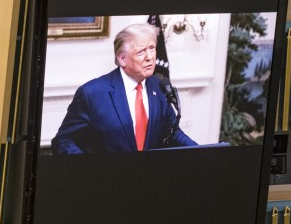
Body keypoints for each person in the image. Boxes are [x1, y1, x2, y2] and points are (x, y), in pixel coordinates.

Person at [52, 24, 199, 155]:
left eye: (152, 48)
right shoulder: (92, 93)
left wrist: (201, 151)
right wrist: (90, 170)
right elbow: (63, 141)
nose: (150, 57)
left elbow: (172, 133)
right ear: (122, 59)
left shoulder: (159, 86)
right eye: (141, 52)